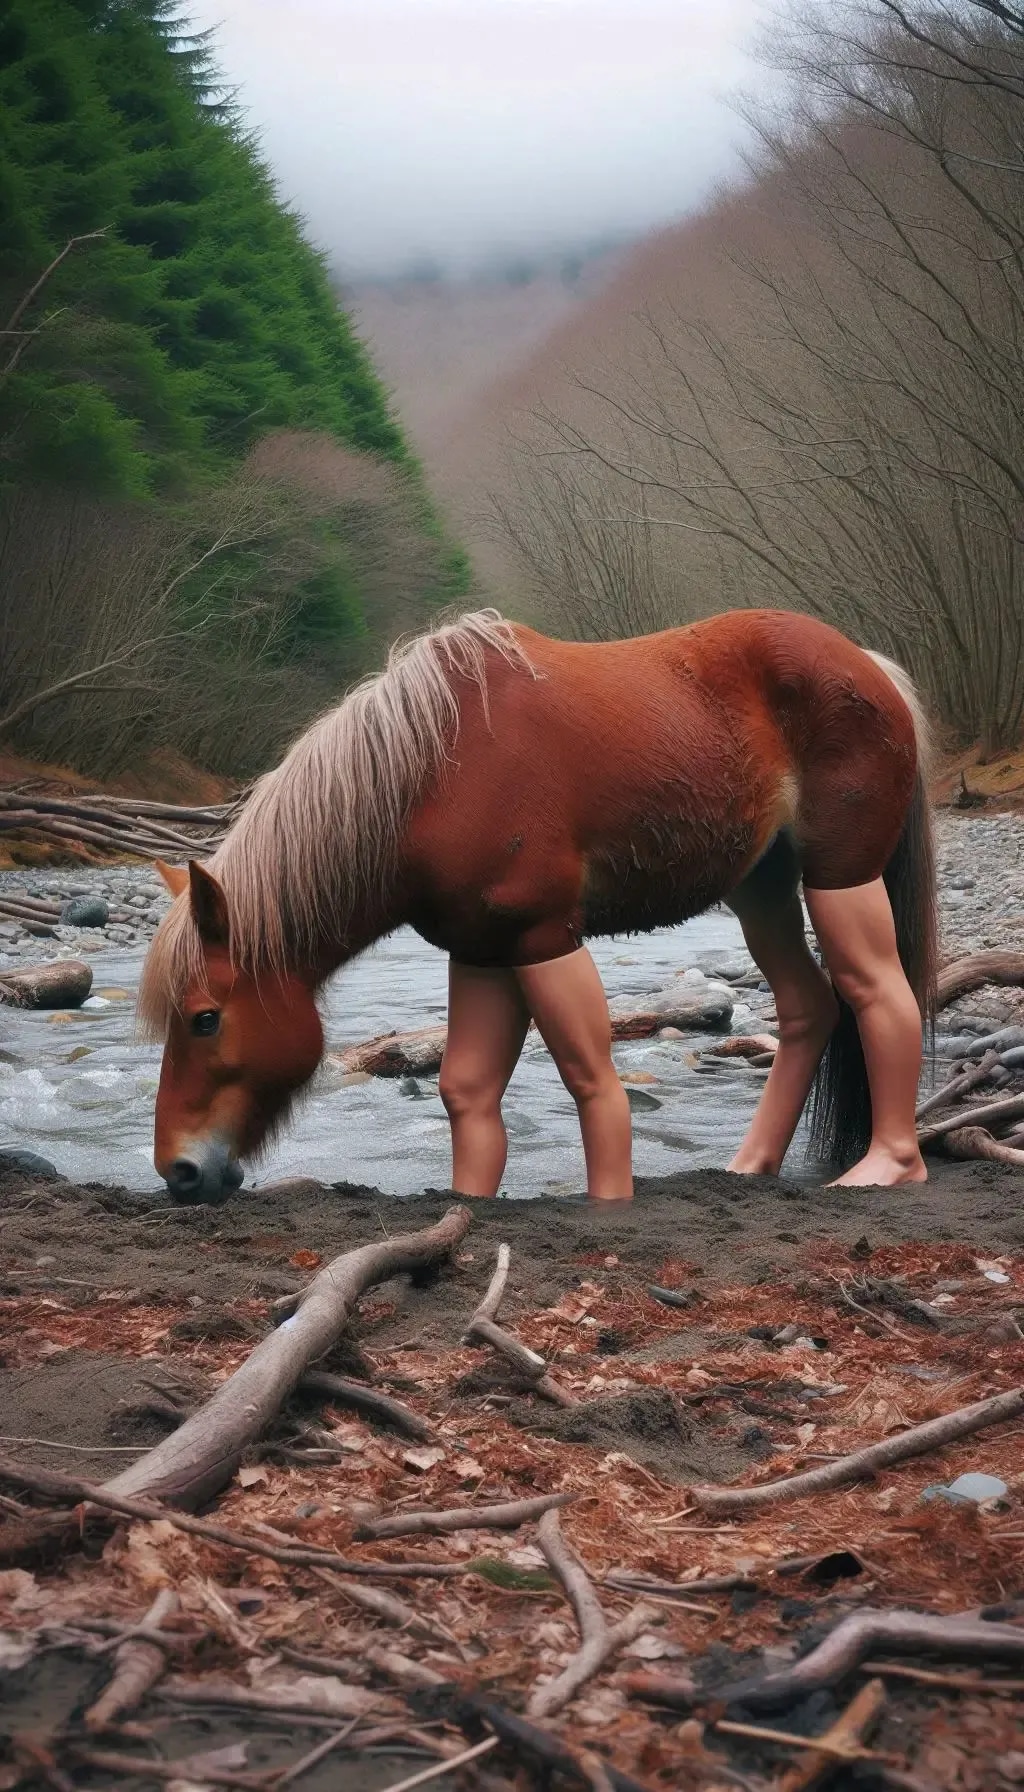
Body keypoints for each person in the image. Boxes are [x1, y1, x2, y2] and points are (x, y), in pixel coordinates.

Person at [438, 877, 926, 1200]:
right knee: (464, 1088)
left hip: (529, 921)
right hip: (489, 924)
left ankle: (898, 1149)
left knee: (866, 970)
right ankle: (760, 1154)